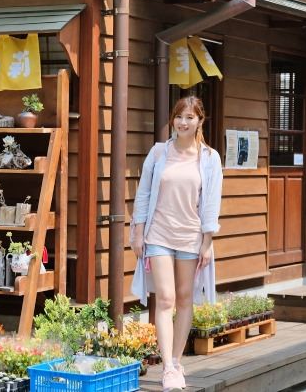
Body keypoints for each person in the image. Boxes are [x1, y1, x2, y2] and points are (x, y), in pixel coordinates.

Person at [130, 96, 223, 391]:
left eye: (190, 117)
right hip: (158, 235)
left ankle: (177, 360)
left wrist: (207, 242)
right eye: (179, 116)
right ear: (173, 119)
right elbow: (143, 194)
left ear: (200, 121)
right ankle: (168, 368)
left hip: (191, 237)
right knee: (166, 298)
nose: (183, 122)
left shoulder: (209, 158)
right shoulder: (158, 153)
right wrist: (137, 232)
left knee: (184, 299)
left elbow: (211, 204)